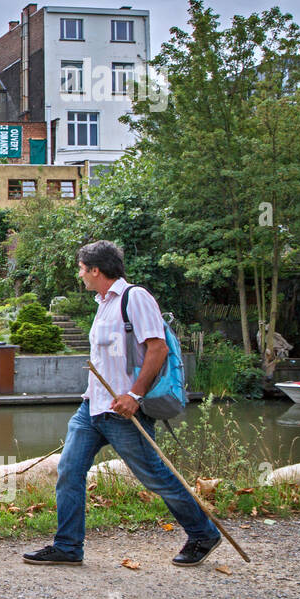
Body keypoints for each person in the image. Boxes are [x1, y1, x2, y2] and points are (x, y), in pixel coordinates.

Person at [22, 240, 222, 567]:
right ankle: (68, 546)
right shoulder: (103, 303)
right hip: (92, 409)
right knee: (69, 471)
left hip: (124, 412)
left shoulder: (135, 298)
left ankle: (203, 533)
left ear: (96, 270)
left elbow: (158, 349)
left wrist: (135, 395)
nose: (80, 274)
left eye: (82, 268)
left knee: (155, 477)